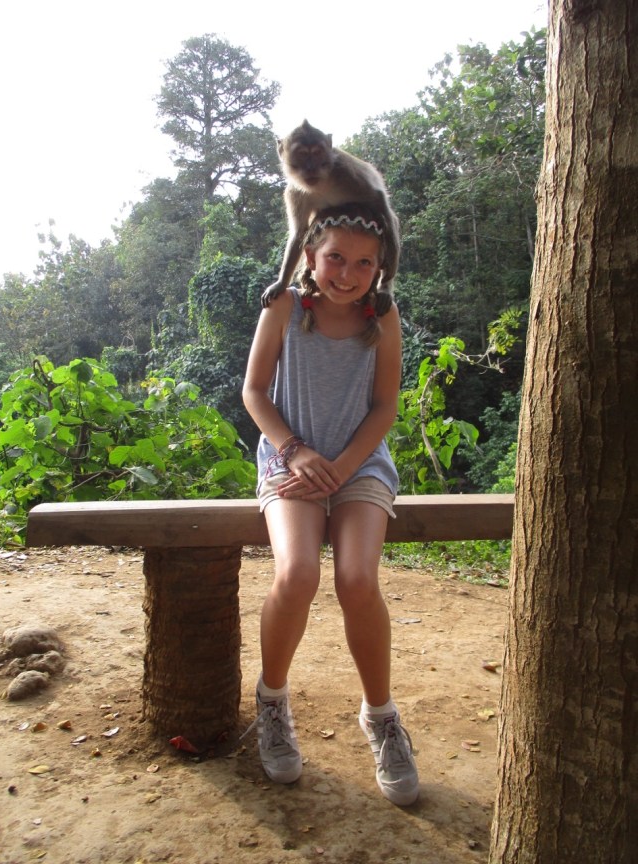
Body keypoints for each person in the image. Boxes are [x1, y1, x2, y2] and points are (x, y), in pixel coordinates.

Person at [241, 202, 419, 806]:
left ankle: (382, 716)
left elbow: (385, 406)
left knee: (356, 578)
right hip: (289, 458)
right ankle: (271, 701)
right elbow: (255, 391)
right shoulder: (286, 307)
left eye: (363, 263)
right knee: (296, 573)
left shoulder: (383, 315)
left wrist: (340, 467)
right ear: (310, 259)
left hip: (358, 464)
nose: (347, 273)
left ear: (380, 269)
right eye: (335, 258)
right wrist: (294, 451)